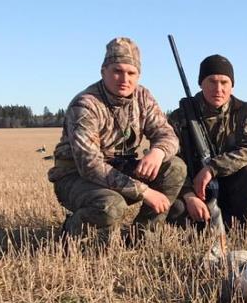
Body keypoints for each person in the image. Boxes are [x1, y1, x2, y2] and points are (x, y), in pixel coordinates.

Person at [49, 37, 186, 240]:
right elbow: (90, 166)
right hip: (76, 177)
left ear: (138, 76)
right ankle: (71, 234)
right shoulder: (86, 105)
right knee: (112, 206)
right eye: (117, 71)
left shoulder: (143, 97)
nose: (124, 79)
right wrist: (144, 191)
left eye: (131, 73)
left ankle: (142, 237)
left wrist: (158, 152)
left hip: (120, 168)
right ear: (103, 71)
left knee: (175, 167)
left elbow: (168, 135)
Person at [168, 54, 247, 230]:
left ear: (232, 85)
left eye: (224, 82)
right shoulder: (181, 116)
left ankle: (237, 227)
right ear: (201, 83)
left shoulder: (244, 111)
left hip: (231, 184)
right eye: (212, 81)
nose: (218, 89)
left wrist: (212, 168)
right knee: (175, 208)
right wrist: (189, 194)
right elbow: (171, 161)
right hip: (193, 188)